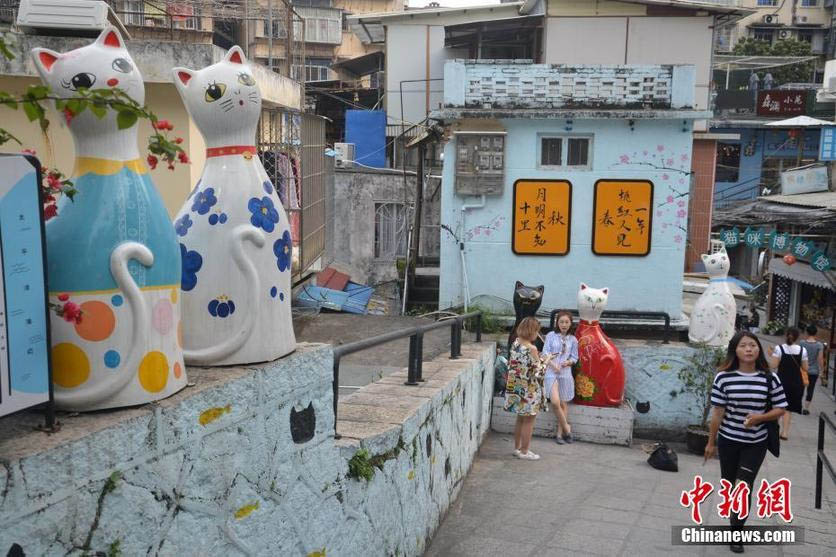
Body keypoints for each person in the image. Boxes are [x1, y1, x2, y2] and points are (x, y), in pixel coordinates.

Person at [705, 331, 787, 554]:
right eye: (743, 346)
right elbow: (718, 413)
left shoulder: (770, 378)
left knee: (744, 485)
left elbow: (781, 408)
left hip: (756, 443)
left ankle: (736, 534)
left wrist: (760, 418)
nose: (749, 349)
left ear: (759, 349)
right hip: (729, 441)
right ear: (735, 350)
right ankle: (734, 522)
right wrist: (711, 443)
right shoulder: (723, 378)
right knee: (730, 485)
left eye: (753, 345)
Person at [504, 316, 548, 461]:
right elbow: (539, 372)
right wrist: (546, 360)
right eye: (537, 331)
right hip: (529, 390)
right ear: (532, 331)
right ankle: (525, 451)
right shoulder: (532, 348)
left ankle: (517, 448)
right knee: (529, 420)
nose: (538, 334)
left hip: (517, 388)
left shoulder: (516, 343)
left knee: (520, 418)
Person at [543, 311, 579, 444]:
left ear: (570, 323)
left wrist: (568, 362)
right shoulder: (551, 336)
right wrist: (553, 365)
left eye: (566, 322)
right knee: (555, 402)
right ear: (557, 323)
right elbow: (545, 353)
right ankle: (567, 428)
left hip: (565, 373)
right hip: (551, 372)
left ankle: (559, 434)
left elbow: (575, 357)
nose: (564, 325)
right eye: (561, 322)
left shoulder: (573, 339)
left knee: (563, 403)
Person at [769, 327, 809, 440]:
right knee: (788, 408)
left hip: (780, 381)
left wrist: (772, 354)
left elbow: (773, 365)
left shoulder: (779, 348)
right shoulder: (802, 350)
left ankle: (774, 431)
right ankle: (785, 432)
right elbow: (805, 368)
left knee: (777, 406)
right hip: (796, 383)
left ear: (785, 335)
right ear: (797, 337)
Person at [800, 325, 825, 415]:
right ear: (815, 333)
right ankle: (806, 408)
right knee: (811, 389)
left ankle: (799, 406)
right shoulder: (819, 345)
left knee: (801, 388)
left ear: (807, 332)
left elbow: (799, 356)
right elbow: (820, 358)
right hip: (814, 371)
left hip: (803, 370)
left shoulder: (802, 343)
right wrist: (822, 371)